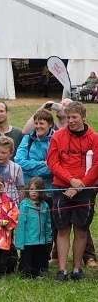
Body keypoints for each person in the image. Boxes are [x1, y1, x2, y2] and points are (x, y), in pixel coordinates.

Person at [46, 100, 98, 280]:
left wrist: (79, 185)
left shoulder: (94, 138)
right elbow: (52, 162)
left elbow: (96, 166)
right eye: (68, 117)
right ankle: (62, 269)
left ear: (84, 117)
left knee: (81, 229)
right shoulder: (58, 137)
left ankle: (77, 268)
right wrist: (70, 181)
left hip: (85, 188)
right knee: (62, 229)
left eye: (74, 117)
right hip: (62, 187)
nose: (71, 121)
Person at [15, 177, 53, 278]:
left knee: (38, 257)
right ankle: (25, 274)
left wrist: (48, 237)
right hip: (28, 240)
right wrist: (19, 242)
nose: (34, 192)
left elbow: (48, 223)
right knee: (26, 258)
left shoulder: (45, 206)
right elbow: (21, 225)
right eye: (31, 189)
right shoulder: (24, 205)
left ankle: (35, 273)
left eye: (37, 190)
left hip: (40, 240)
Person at [15, 108, 55, 184]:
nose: (38, 126)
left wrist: (30, 171)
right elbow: (19, 161)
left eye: (41, 123)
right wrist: (42, 163)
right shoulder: (28, 138)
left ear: (50, 124)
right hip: (28, 187)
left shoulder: (57, 139)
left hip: (48, 188)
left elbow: (54, 168)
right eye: (36, 123)